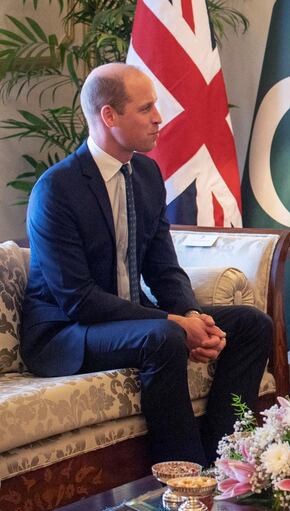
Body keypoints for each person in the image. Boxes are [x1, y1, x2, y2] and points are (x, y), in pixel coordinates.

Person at [21, 63, 271, 466]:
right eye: (146, 108)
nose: (159, 118)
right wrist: (174, 324)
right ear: (109, 116)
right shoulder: (56, 189)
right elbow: (78, 300)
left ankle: (225, 460)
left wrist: (190, 313)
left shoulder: (148, 174)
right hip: (66, 332)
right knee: (164, 338)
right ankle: (185, 477)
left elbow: (164, 269)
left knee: (251, 325)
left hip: (129, 319)